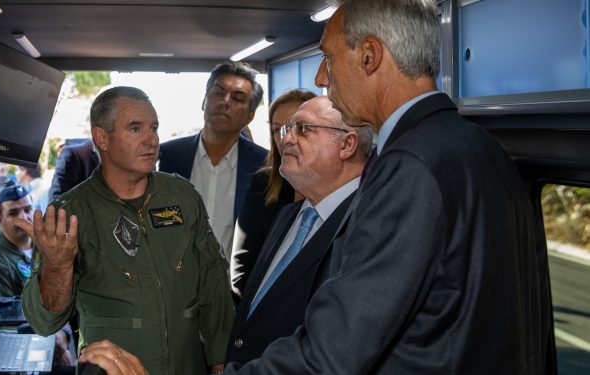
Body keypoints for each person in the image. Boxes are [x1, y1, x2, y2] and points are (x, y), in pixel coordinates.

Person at [80, 0, 553, 373]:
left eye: (328, 58)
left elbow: (334, 354)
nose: (322, 78)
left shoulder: (408, 165)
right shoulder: (478, 147)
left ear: (370, 55)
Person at [18, 86, 234, 375]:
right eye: (135, 128)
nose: (152, 140)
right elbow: (43, 322)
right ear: (102, 138)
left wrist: (221, 362)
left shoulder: (182, 196)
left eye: (154, 128)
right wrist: (57, 267)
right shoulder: (68, 214)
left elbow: (214, 283)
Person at [227, 96, 372, 364]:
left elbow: (336, 347)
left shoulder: (368, 225)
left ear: (347, 144)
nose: (285, 140)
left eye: (303, 129)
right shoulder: (288, 215)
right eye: (284, 130)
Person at [158, 61, 268, 258]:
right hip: (175, 280)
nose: (225, 101)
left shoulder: (263, 164)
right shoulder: (169, 155)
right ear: (204, 101)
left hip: (232, 284)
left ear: (249, 116)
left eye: (237, 98)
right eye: (218, 92)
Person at [0, 181, 73, 366]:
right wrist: (55, 340)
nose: (24, 217)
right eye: (13, 213)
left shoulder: (45, 247)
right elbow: (3, 329)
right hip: (27, 352)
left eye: (27, 209)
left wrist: (63, 334)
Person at [230, 89, 316, 302]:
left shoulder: (339, 188)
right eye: (278, 130)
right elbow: (242, 263)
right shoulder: (263, 183)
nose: (285, 138)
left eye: (299, 127)